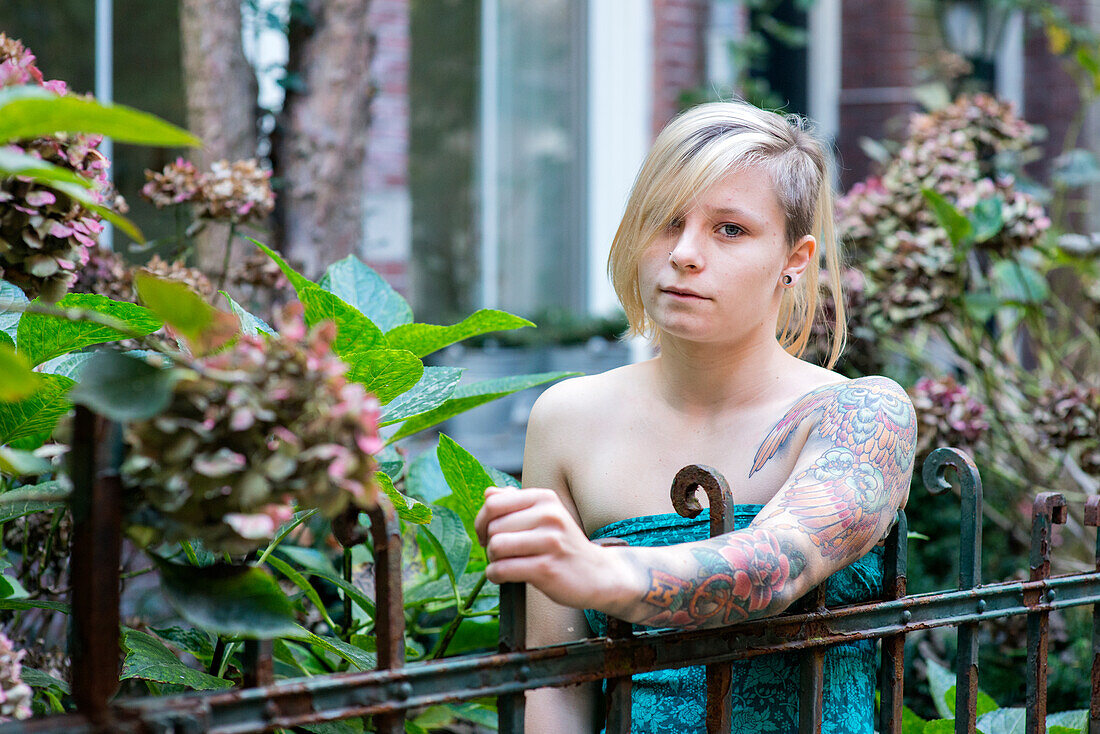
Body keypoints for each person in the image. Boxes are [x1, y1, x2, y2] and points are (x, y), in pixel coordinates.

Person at [473, 101, 917, 734]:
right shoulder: (568, 418)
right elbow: (558, 682)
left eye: (729, 229)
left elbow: (774, 567)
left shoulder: (858, 413)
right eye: (666, 221)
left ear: (795, 258)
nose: (684, 253)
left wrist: (597, 570)